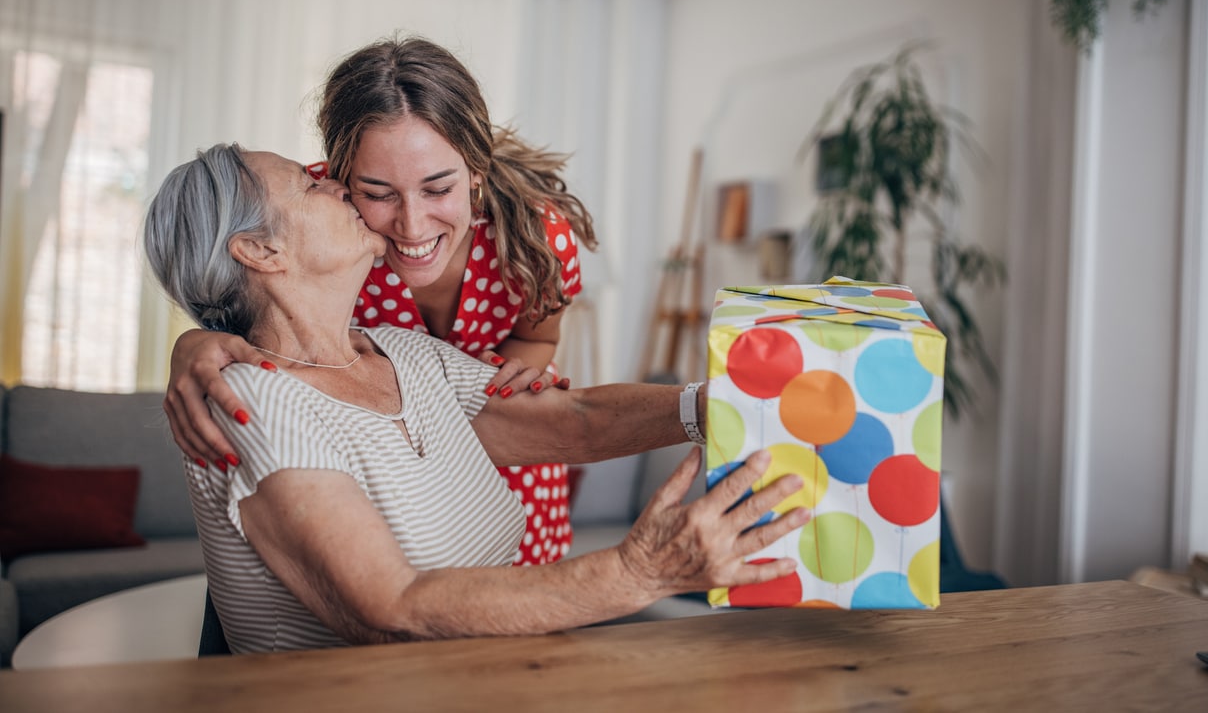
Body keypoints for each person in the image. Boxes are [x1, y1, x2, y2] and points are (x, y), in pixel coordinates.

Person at [142, 143, 809, 652]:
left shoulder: (398, 350)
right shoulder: (253, 400)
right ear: (258, 249)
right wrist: (641, 572)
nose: (335, 182)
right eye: (307, 184)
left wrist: (713, 406)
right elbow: (393, 606)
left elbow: (569, 423)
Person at [164, 36, 597, 565]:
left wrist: (496, 375)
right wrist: (197, 338)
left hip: (512, 446)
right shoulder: (319, 216)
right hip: (388, 464)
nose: (412, 226)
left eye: (438, 189)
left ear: (476, 174)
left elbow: (538, 336)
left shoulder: (537, 238)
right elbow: (244, 277)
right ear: (339, 180)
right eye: (377, 193)